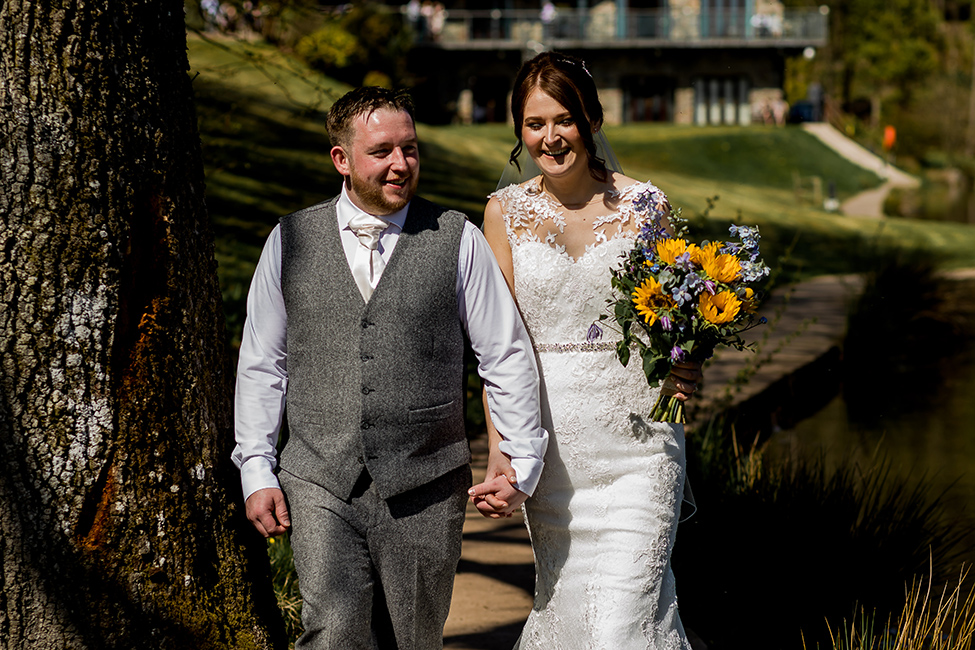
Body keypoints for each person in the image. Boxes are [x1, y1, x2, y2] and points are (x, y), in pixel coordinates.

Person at [232, 86, 549, 649]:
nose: (401, 164)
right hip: (319, 477)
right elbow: (263, 364)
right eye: (382, 152)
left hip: (427, 482)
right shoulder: (290, 241)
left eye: (410, 149)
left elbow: (504, 352)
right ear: (342, 160)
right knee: (334, 632)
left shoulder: (457, 238)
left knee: (414, 639)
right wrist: (257, 468)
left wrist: (520, 460)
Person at [470, 52, 702, 648]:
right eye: (534, 124)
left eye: (564, 119)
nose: (550, 137)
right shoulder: (504, 213)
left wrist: (686, 362)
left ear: (592, 120)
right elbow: (500, 349)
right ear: (520, 132)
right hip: (551, 451)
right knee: (569, 608)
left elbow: (676, 317)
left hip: (640, 445)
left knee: (622, 623)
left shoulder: (648, 206)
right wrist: (504, 455)